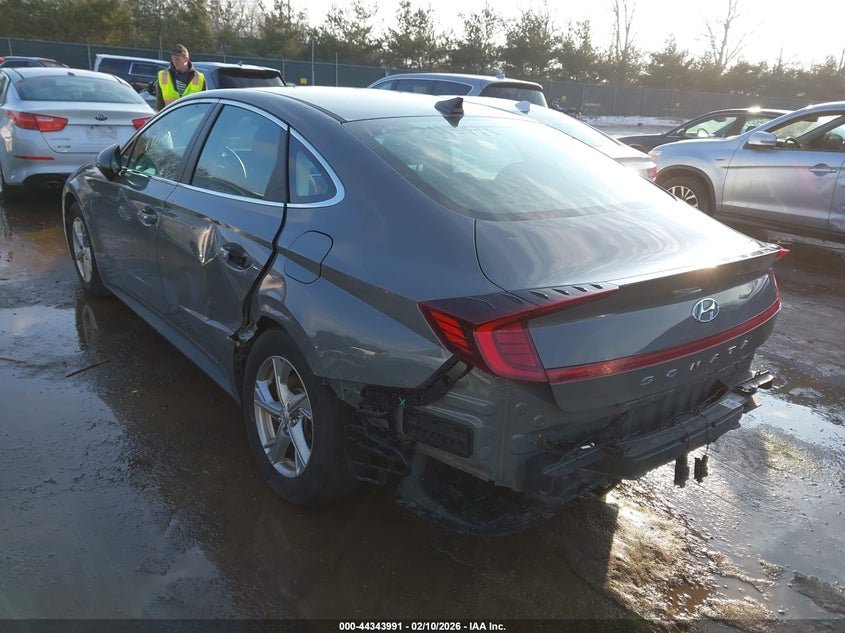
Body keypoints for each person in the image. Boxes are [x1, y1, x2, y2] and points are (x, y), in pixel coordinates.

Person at [155, 44, 205, 110]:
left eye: (177, 59)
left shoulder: (199, 78)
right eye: (173, 59)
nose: (174, 62)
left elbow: (203, 104)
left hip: (191, 119)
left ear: (186, 59)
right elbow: (160, 104)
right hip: (171, 118)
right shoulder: (164, 75)